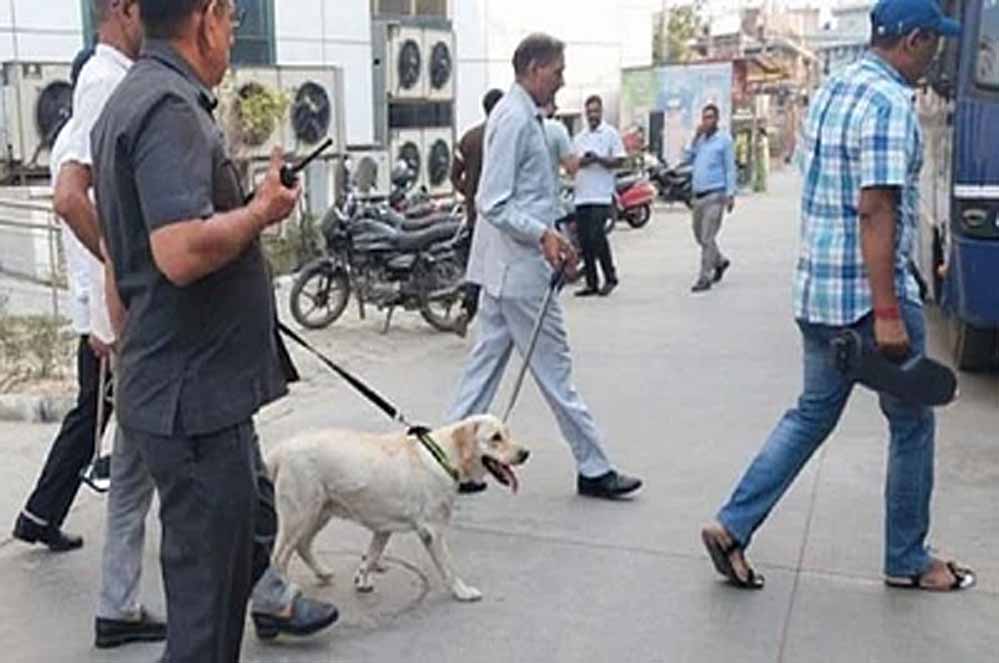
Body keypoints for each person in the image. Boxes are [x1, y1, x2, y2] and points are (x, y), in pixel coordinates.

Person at [702, 0, 975, 593]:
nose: (935, 55)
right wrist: (888, 313)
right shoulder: (888, 103)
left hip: (817, 294)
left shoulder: (832, 90)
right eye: (933, 42)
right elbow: (875, 208)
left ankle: (732, 524)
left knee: (811, 415)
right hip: (867, 301)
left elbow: (818, 182)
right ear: (913, 39)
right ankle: (907, 558)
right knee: (913, 422)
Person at [91, 1, 337, 661]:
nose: (231, 35)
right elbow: (178, 250)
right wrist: (261, 212)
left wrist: (135, 345)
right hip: (193, 400)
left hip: (186, 389)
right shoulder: (168, 107)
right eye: (230, 20)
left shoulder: (130, 99)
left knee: (244, 537)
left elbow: (121, 251)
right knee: (205, 618)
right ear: (206, 18)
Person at [446, 33, 642, 500]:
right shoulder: (514, 119)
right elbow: (493, 201)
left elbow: (527, 197)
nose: (561, 81)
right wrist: (544, 235)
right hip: (520, 274)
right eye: (557, 71)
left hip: (507, 271)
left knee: (482, 372)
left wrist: (551, 235)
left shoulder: (525, 117)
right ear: (534, 69)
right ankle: (594, 467)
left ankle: (451, 462)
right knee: (556, 374)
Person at [9, 41, 114, 555]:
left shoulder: (72, 142)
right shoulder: (82, 146)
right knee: (92, 416)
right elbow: (90, 243)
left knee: (96, 415)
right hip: (101, 311)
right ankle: (40, 512)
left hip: (96, 307)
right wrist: (99, 318)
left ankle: (40, 513)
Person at [451, 88, 504, 332]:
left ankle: (468, 308)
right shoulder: (507, 136)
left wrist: (470, 194)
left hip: (477, 214)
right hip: (505, 217)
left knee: (478, 264)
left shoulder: (470, 138)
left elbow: (454, 175)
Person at [572, 95, 625, 298]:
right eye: (589, 112)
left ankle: (610, 277)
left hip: (601, 195)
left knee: (597, 236)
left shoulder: (610, 134)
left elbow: (620, 161)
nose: (592, 115)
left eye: (595, 111)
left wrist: (599, 159)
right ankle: (591, 282)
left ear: (601, 112)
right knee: (584, 240)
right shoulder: (579, 137)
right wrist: (583, 161)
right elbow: (572, 162)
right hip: (582, 195)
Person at [685, 103, 736, 293]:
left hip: (715, 194)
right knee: (699, 235)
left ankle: (704, 277)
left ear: (717, 119)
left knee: (707, 237)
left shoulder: (724, 141)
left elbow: (730, 168)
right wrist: (695, 137)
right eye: (704, 118)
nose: (707, 121)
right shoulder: (700, 141)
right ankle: (719, 261)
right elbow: (687, 157)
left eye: (710, 117)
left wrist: (730, 194)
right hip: (698, 196)